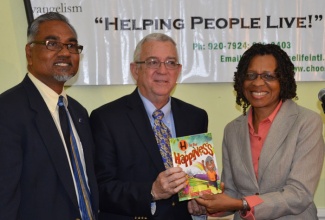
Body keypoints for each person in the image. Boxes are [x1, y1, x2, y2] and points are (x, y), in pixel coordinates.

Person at [195, 43, 325, 219]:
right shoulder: (232, 130)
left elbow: (299, 194)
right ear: (242, 80)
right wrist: (211, 203)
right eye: (251, 75)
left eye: (268, 76)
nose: (257, 82)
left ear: (283, 80)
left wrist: (242, 203)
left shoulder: (307, 122)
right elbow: (233, 193)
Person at [90, 33, 208, 219]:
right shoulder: (106, 119)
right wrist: (151, 191)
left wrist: (200, 198)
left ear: (178, 70)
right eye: (153, 62)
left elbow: (196, 182)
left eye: (170, 63)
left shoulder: (195, 117)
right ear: (135, 69)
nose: (163, 70)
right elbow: (101, 189)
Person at [0, 12, 98, 219]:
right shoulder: (7, 111)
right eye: (52, 44)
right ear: (29, 52)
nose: (65, 52)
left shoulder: (78, 113)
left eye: (72, 46)